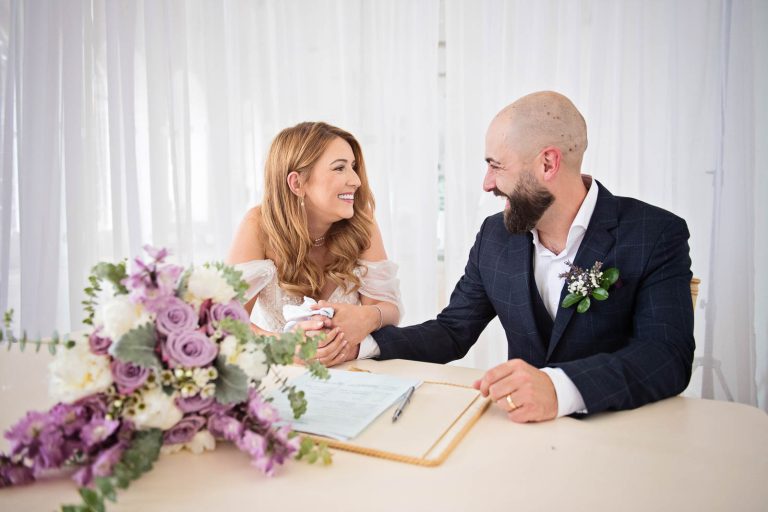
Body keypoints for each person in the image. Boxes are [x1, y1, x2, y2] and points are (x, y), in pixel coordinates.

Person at [349, 91, 695, 422]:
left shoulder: (654, 233)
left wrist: (560, 388)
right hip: (519, 432)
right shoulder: (494, 236)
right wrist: (362, 345)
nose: (486, 183)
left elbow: (666, 356)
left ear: (548, 163)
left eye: (496, 165)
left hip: (622, 435)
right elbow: (452, 331)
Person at [227, 122, 403, 367]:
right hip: (283, 377)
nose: (356, 180)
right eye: (340, 168)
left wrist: (368, 317)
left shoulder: (363, 222)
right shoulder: (258, 226)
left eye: (353, 167)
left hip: (357, 373)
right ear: (297, 183)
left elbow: (388, 309)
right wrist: (283, 347)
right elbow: (222, 323)